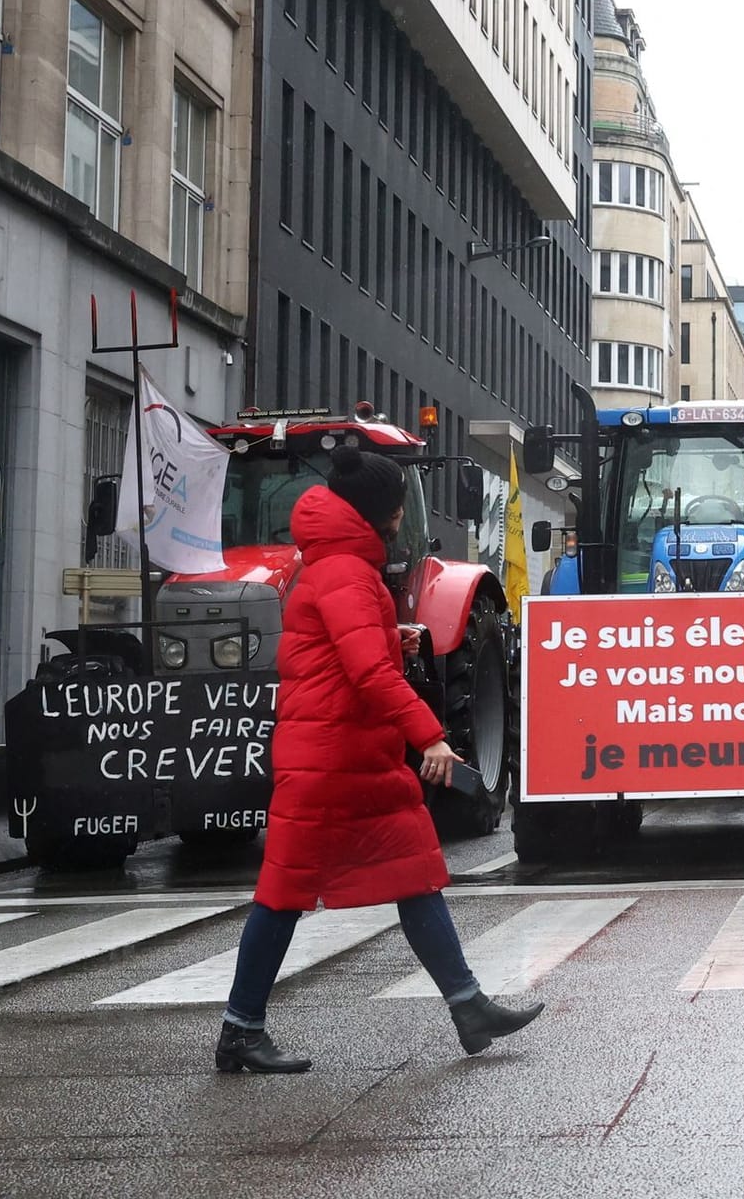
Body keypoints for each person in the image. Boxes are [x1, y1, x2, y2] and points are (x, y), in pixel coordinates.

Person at [214, 446, 543, 1074]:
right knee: (287, 890)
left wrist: (393, 637)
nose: (399, 517)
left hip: (345, 753)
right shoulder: (347, 572)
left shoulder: (339, 566)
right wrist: (431, 736)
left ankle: (468, 1007)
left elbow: (343, 651)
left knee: (410, 870)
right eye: (394, 505)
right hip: (334, 757)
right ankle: (239, 1030)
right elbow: (365, 672)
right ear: (377, 513)